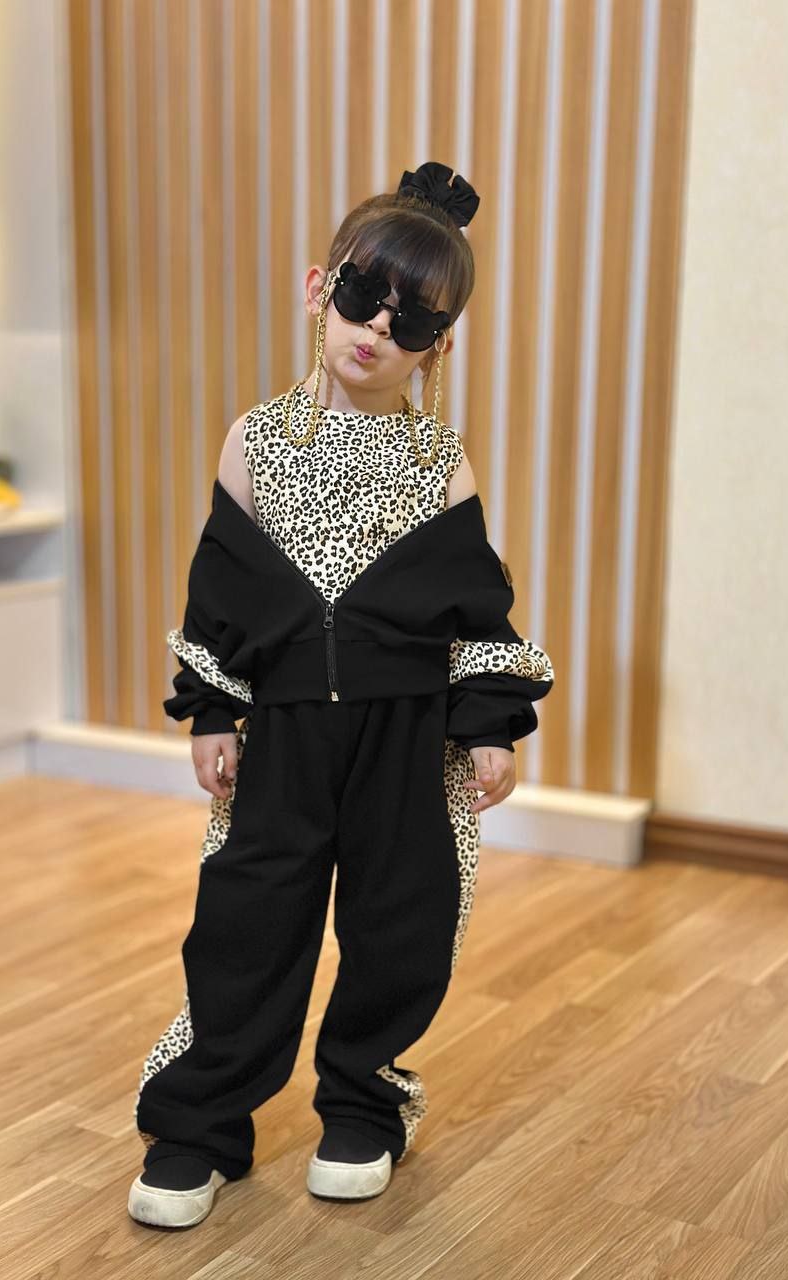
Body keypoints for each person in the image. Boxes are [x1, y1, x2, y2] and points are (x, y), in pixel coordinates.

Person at [127, 161, 555, 1230]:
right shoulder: (257, 438)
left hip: (406, 738)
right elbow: (221, 587)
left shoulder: (436, 459)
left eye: (412, 320)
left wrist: (489, 725)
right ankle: (200, 1123)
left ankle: (364, 1101)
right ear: (319, 288)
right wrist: (214, 709)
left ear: (439, 346)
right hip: (282, 735)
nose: (377, 330)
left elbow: (473, 601)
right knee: (247, 919)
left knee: (401, 920)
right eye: (362, 297)